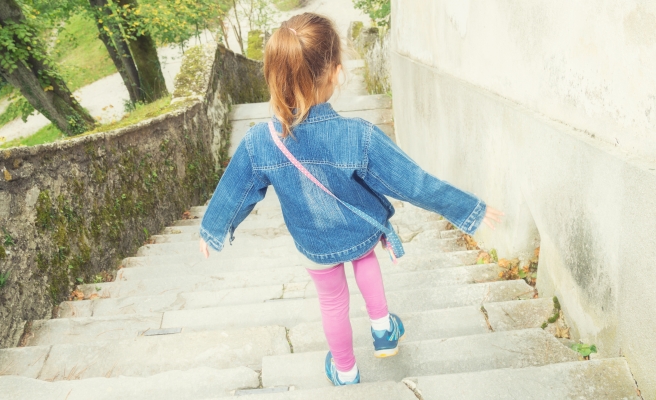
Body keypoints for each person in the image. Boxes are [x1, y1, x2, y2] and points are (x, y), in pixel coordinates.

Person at [198, 12, 503, 386]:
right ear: (336, 72)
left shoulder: (260, 142)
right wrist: (469, 209)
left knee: (332, 303)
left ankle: (345, 372)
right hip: (357, 229)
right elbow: (415, 183)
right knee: (365, 261)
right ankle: (382, 331)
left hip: (312, 242)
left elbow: (237, 188)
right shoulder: (358, 136)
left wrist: (212, 228)